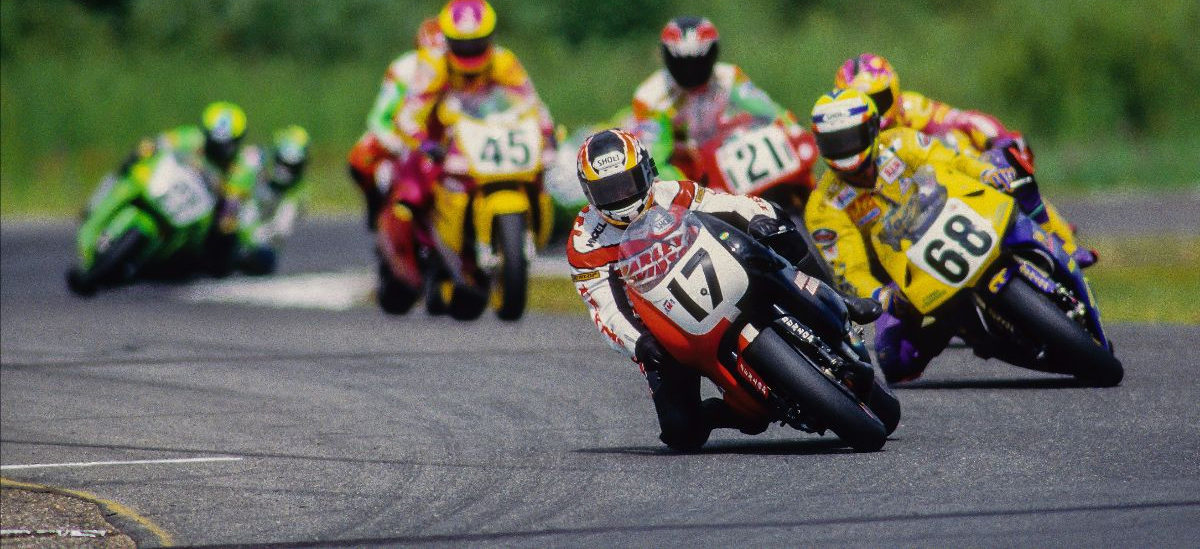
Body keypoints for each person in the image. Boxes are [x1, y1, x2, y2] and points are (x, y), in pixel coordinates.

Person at [568, 129, 879, 451]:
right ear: (589, 193)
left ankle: (837, 298)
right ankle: (729, 411)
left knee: (778, 230)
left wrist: (760, 218)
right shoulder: (585, 241)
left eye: (627, 183)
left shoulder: (672, 192)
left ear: (646, 171)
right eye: (608, 190)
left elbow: (728, 205)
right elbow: (604, 308)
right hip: (665, 327)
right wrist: (639, 343)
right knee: (680, 433)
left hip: (720, 274)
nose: (620, 197)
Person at [804, 88, 1056, 383]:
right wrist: (884, 297)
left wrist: (985, 174)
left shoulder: (900, 141)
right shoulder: (823, 206)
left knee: (1004, 165)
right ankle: (965, 324)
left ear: (872, 128)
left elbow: (951, 161)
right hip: (906, 279)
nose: (844, 149)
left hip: (958, 218)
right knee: (892, 360)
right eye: (834, 142)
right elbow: (850, 272)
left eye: (850, 138)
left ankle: (1055, 241)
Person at [832, 53, 1096, 267]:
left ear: (894, 91)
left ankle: (1063, 243)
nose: (874, 110)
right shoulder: (847, 146)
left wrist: (999, 140)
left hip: (952, 187)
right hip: (908, 225)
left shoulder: (911, 108)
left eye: (878, 99)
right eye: (861, 102)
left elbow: (963, 120)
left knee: (1007, 171)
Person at [628, 15, 816, 201]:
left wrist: (792, 130)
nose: (691, 71)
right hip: (688, 171)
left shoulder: (729, 76)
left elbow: (768, 110)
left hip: (725, 157)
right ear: (667, 57)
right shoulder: (649, 97)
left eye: (699, 62)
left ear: (712, 54)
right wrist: (692, 193)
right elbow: (655, 160)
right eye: (682, 64)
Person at [82, 101, 250, 276]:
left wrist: (226, 213)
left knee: (220, 239)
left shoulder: (241, 168)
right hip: (169, 186)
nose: (219, 149)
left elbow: (231, 210)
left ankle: (171, 259)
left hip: (197, 212)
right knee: (129, 168)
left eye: (226, 144)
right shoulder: (191, 137)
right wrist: (144, 151)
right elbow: (156, 144)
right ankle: (96, 202)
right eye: (214, 141)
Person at [347, 17, 446, 231]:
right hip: (407, 138)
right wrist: (400, 145)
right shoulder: (403, 69)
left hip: (447, 139)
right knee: (360, 157)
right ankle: (378, 208)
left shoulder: (467, 72)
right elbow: (380, 117)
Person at [228, 125, 311, 275]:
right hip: (227, 213)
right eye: (283, 163)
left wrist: (247, 234)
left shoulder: (298, 192)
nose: (286, 171)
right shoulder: (251, 159)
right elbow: (231, 185)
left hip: (252, 235)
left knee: (265, 259)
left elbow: (279, 229)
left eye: (293, 167)